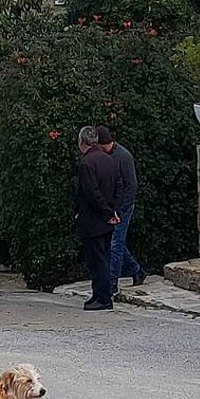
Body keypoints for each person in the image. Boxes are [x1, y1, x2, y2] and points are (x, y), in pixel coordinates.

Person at [96, 125, 146, 295]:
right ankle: (136, 270)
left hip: (123, 207)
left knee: (115, 243)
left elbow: (131, 186)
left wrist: (121, 209)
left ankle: (112, 282)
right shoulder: (105, 156)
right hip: (112, 207)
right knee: (115, 242)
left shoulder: (123, 157)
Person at [75, 126, 121, 311]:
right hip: (107, 218)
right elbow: (118, 186)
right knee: (104, 257)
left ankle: (103, 297)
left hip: (93, 220)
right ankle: (99, 294)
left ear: (82, 141)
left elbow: (92, 194)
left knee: (97, 260)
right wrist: (113, 211)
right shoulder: (107, 159)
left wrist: (107, 213)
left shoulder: (87, 163)